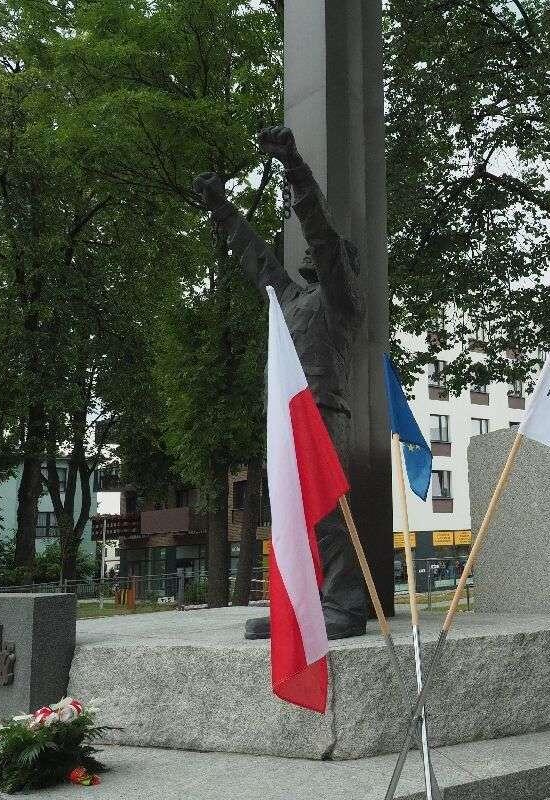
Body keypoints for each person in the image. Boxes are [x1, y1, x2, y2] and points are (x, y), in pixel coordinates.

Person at [193, 126, 369, 640]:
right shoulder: (290, 298)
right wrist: (222, 209)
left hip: (321, 411)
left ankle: (344, 606)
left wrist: (293, 165)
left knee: (327, 511)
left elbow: (321, 234)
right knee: (290, 515)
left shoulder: (341, 301)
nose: (315, 253)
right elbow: (256, 257)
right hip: (284, 417)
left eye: (329, 253)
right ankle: (301, 606)